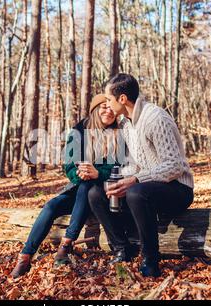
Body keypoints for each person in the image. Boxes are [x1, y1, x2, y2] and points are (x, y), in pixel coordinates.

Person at [88, 73, 194, 277]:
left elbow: (174, 166)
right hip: (147, 187)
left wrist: (135, 180)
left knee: (136, 192)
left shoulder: (155, 118)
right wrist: (115, 182)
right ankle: (121, 248)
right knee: (96, 193)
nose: (107, 105)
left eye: (109, 99)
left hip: (178, 188)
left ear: (122, 99)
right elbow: (134, 166)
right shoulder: (126, 125)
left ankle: (150, 259)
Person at [10, 94, 119, 278]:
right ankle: (25, 256)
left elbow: (118, 167)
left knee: (87, 186)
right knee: (52, 205)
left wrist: (98, 173)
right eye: (103, 107)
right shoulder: (77, 132)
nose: (108, 111)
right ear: (94, 109)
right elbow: (68, 165)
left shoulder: (118, 135)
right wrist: (79, 173)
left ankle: (66, 244)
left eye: (112, 109)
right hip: (79, 189)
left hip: (103, 193)